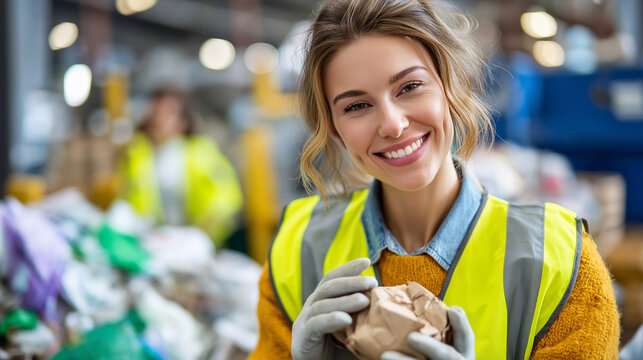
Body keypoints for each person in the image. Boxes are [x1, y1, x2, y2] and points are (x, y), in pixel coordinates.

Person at [249, 0, 619, 359]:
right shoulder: (297, 251)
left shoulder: (560, 262)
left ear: (449, 86)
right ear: (334, 129)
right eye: (357, 106)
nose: (393, 125)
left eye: (410, 87)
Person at [119, 87, 243, 247]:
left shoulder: (202, 153)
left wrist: (204, 232)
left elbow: (227, 200)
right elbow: (128, 201)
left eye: (168, 113)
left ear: (183, 121)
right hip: (152, 241)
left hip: (194, 241)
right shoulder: (136, 155)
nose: (160, 119)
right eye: (156, 112)